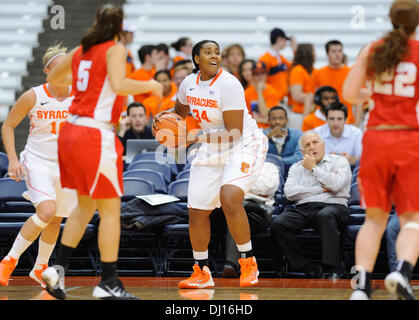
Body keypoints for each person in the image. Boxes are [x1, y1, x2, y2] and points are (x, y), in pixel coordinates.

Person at [40, 4, 163, 300]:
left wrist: (88, 86)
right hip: (94, 133)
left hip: (69, 130)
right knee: (111, 210)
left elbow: (54, 76)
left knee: (86, 206)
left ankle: (57, 267)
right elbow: (120, 84)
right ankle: (108, 282)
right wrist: (151, 84)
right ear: (120, 26)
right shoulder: (114, 49)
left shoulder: (83, 48)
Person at [154, 40, 268, 288]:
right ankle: (201, 272)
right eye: (208, 52)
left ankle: (248, 262)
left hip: (244, 144)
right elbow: (178, 115)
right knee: (196, 210)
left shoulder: (229, 84)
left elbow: (234, 133)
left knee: (229, 198)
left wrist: (193, 136)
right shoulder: (188, 84)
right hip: (212, 146)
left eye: (217, 52)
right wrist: (165, 125)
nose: (214, 56)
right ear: (196, 59)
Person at [343, 0, 419, 300]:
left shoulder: (372, 49)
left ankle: (361, 286)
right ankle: (400, 271)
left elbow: (349, 94)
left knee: (374, 219)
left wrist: (371, 94)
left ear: (390, 19)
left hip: (375, 139)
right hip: (407, 140)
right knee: (411, 218)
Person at [0, 44, 77, 289]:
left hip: (66, 165)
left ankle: (40, 268)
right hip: (38, 161)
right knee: (46, 211)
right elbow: (8, 125)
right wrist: (13, 159)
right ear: (48, 70)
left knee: (56, 219)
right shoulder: (34, 95)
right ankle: (9, 260)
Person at [270, 131, 351, 279]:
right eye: (307, 145)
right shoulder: (296, 167)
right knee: (278, 224)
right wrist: (320, 189)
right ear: (302, 151)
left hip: (334, 206)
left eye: (315, 142)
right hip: (304, 208)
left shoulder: (339, 161)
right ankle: (307, 267)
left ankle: (333, 268)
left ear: (323, 145)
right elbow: (290, 193)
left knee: (325, 215)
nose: (312, 147)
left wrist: (314, 169)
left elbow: (336, 185)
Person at [304, 40, 361, 125]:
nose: (337, 54)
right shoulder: (318, 73)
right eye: (333, 51)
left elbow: (359, 100)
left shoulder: (351, 73)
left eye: (340, 51)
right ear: (327, 54)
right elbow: (309, 99)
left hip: (346, 121)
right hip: (321, 121)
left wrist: (357, 122)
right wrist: (305, 120)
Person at [315, 102, 363, 167]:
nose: (335, 124)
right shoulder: (317, 133)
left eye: (339, 119)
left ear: (346, 120)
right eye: (331, 119)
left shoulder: (356, 133)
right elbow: (310, 159)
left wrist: (351, 160)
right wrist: (325, 159)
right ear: (326, 119)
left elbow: (362, 160)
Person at [259, 28, 297, 104]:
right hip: (272, 99)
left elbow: (295, 66)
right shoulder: (265, 58)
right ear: (279, 39)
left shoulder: (281, 57)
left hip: (282, 100)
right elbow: (261, 80)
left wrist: (294, 50)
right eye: (285, 40)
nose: (286, 43)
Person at [244, 61, 281, 128]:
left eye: (263, 73)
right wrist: (263, 120)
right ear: (253, 75)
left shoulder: (272, 92)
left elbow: (268, 115)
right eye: (257, 73)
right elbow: (246, 117)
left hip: (269, 129)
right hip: (252, 129)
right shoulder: (247, 93)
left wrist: (259, 92)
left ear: (266, 74)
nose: (260, 76)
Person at [288, 43, 316, 130]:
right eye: (313, 51)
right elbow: (296, 95)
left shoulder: (314, 70)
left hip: (312, 113)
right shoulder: (298, 70)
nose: (315, 54)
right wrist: (316, 98)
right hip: (299, 114)